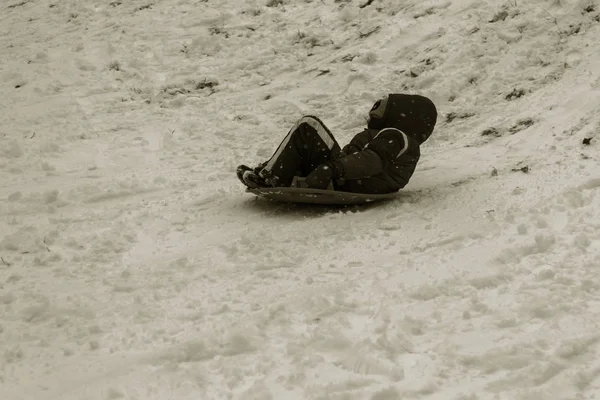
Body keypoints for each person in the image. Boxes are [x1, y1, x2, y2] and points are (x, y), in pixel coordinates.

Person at [237, 93, 437, 194]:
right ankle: (277, 172)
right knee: (307, 143)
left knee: (309, 125)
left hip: (348, 179)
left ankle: (271, 177)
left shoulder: (396, 136)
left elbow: (372, 160)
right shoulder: (390, 136)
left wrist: (333, 168)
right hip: (349, 178)